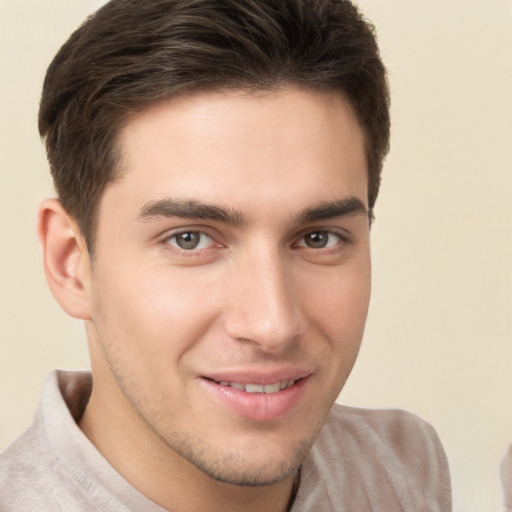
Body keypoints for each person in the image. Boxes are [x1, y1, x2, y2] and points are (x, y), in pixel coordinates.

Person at [0, 0, 452, 510]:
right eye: (189, 239)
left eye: (318, 238)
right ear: (71, 262)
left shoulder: (401, 468)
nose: (272, 324)